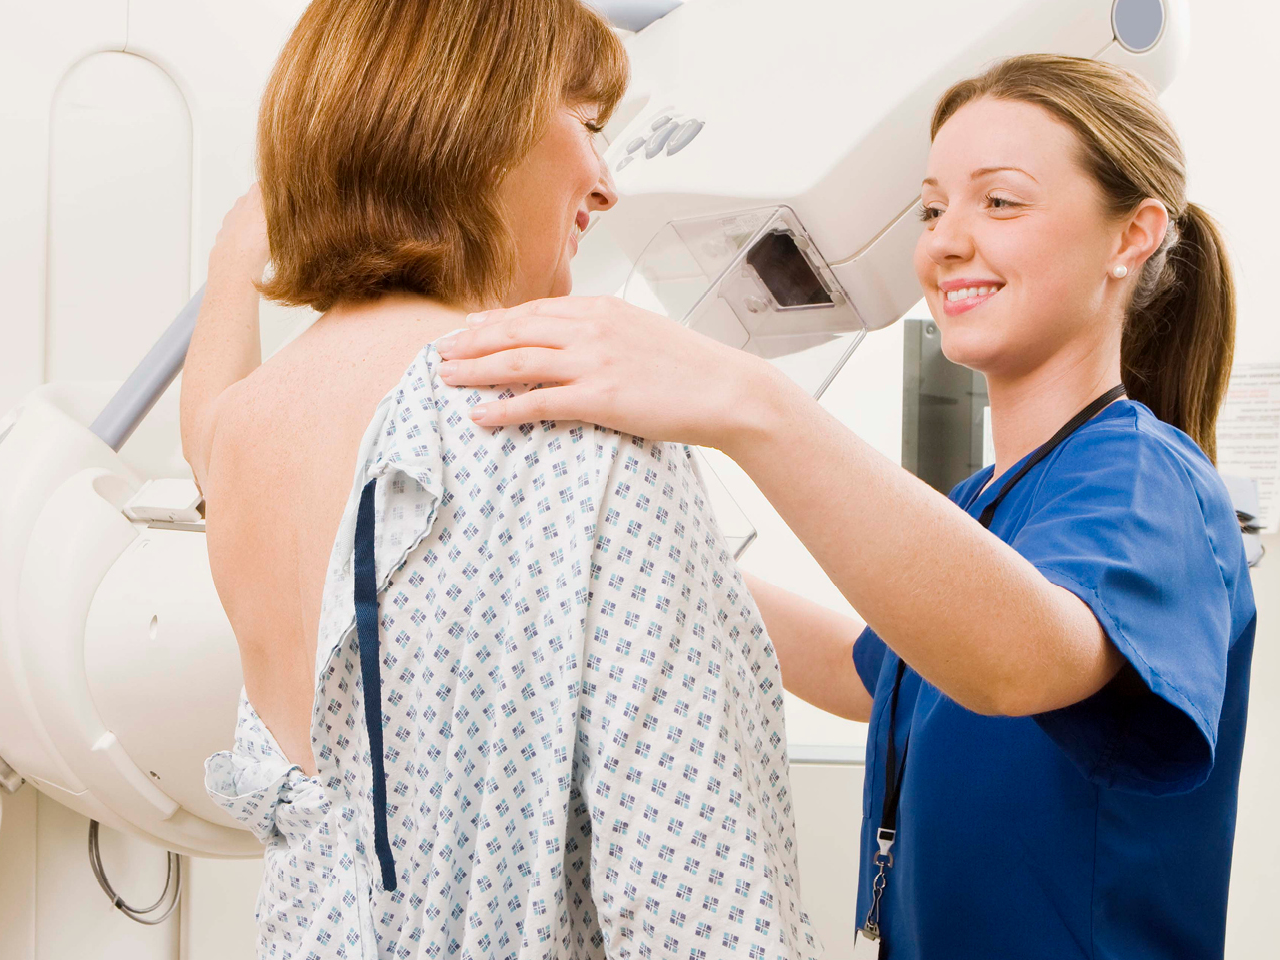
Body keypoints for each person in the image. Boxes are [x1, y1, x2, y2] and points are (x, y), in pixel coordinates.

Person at [437, 53, 1254, 959]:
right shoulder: (984, 502)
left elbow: (1019, 663)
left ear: (1132, 236)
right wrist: (624, 533)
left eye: (1002, 201)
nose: (944, 241)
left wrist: (748, 402)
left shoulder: (1149, 478)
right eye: (933, 208)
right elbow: (866, 673)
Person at [183, 1, 822, 957]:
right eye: (590, 126)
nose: (606, 185)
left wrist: (237, 252)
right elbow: (700, 909)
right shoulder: (568, 416)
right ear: (468, 121)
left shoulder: (241, 441)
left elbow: (209, 423)